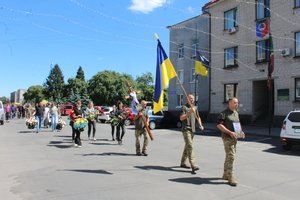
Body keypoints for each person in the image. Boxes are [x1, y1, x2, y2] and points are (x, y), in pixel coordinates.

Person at [217, 97, 244, 186]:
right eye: (235, 102)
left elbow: (237, 125)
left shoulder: (236, 113)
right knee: (231, 156)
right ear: (230, 103)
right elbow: (219, 126)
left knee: (229, 156)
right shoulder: (223, 113)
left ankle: (225, 174)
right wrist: (229, 132)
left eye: (237, 102)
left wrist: (240, 133)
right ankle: (230, 177)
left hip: (234, 137)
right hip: (227, 137)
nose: (237, 104)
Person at [179, 94, 204, 174]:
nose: (192, 100)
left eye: (193, 98)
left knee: (187, 146)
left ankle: (183, 162)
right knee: (190, 146)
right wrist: (189, 112)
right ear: (187, 99)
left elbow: (198, 117)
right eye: (190, 98)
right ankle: (193, 165)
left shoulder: (195, 108)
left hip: (192, 130)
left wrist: (200, 125)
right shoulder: (184, 107)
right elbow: (181, 118)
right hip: (186, 129)